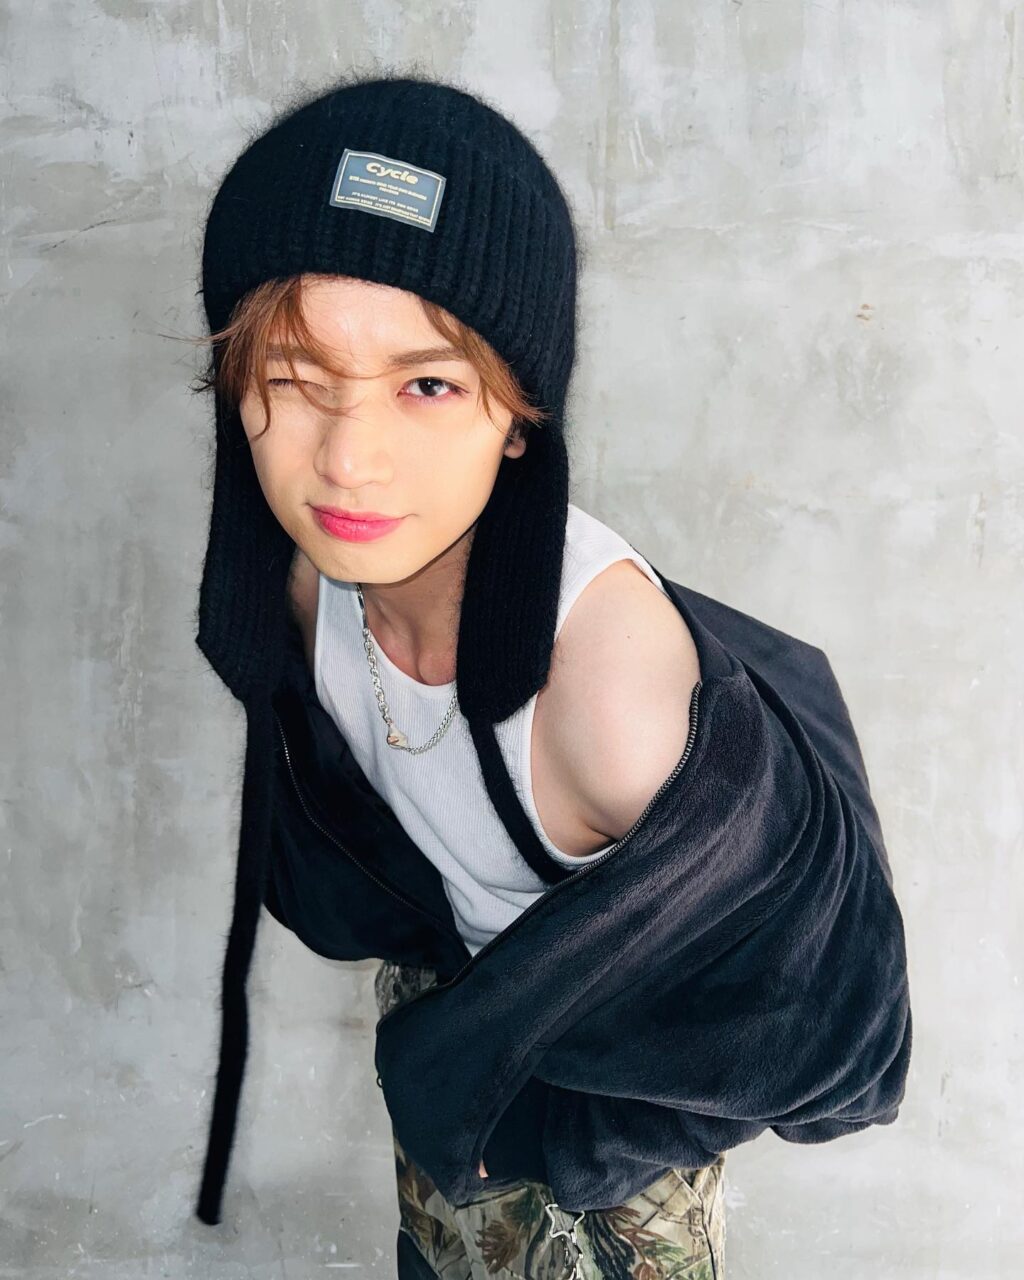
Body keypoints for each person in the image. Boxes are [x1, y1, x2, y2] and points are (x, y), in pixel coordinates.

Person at [188, 72, 912, 1279]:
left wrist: (570, 1130)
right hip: (460, 1066)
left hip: (597, 1159)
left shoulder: (611, 703)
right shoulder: (300, 586)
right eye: (295, 377)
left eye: (428, 384)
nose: (349, 458)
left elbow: (844, 1038)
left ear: (517, 416)